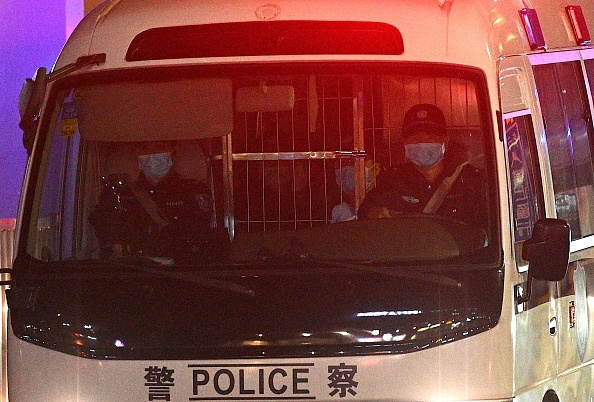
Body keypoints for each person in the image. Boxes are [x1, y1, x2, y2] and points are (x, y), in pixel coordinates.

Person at [358, 104, 487, 229]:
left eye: (430, 139)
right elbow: (365, 214)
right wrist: (376, 213)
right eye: (415, 139)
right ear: (405, 143)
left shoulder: (471, 180)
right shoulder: (392, 179)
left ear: (445, 141)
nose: (422, 144)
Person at [90, 140, 216, 260]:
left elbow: (197, 231)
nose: (152, 153)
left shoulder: (193, 190)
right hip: (133, 273)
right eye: (145, 148)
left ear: (173, 153)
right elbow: (105, 228)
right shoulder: (119, 194)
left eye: (159, 147)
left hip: (180, 272)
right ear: (136, 154)